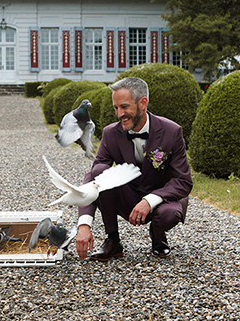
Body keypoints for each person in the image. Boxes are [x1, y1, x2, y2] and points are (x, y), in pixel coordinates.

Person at [76, 77, 193, 261]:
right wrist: (84, 224)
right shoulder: (110, 133)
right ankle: (113, 241)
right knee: (99, 172)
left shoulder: (172, 131)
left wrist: (149, 200)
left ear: (143, 103)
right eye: (116, 108)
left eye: (124, 107)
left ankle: (158, 235)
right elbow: (93, 179)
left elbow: (183, 182)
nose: (119, 114)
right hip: (129, 196)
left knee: (168, 214)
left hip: (162, 200)